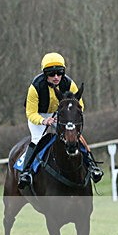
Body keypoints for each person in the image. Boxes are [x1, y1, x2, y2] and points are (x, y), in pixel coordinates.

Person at [18, 52, 103, 189]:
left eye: (60, 73)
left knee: (76, 137)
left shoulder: (69, 83)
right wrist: (44, 121)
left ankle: (92, 166)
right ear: (45, 74)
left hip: (60, 114)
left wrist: (68, 117)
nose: (56, 77)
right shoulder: (35, 87)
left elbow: (79, 105)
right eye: (52, 74)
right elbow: (30, 113)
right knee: (37, 140)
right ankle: (26, 172)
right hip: (39, 115)